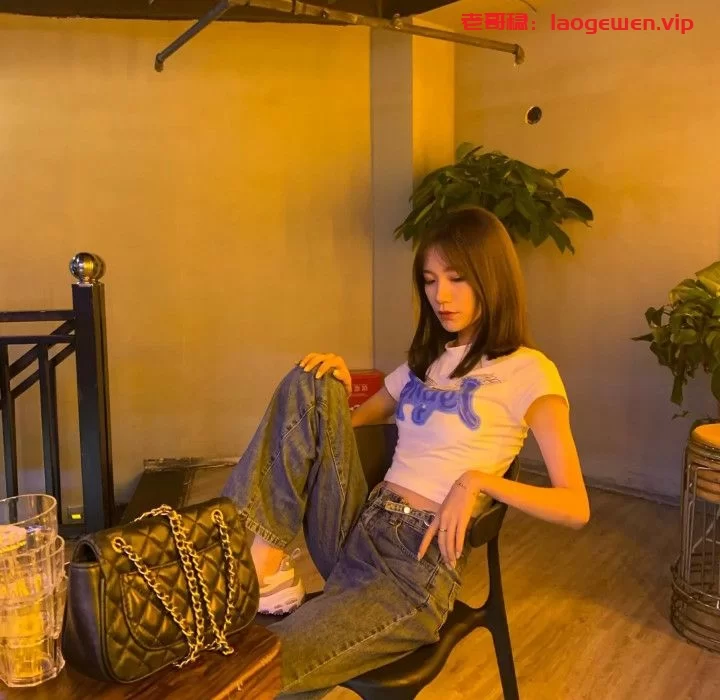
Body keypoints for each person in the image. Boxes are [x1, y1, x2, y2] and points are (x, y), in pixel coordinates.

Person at [221, 206, 589, 698]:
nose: (441, 296)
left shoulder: (529, 371)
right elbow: (338, 428)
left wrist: (479, 481)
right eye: (430, 281)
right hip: (357, 527)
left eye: (457, 278)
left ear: (492, 278)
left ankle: (246, 574)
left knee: (260, 672)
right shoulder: (426, 362)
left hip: (413, 565)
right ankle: (257, 564)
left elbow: (575, 506)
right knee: (313, 379)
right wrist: (336, 389)